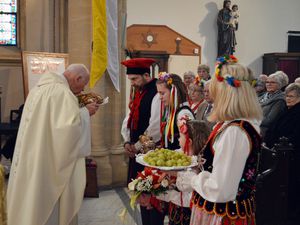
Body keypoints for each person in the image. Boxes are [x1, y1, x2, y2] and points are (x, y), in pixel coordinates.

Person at [7, 64, 100, 225]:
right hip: (48, 163)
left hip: (32, 155)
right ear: (77, 78)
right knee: (48, 207)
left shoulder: (38, 89)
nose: (82, 89)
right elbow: (68, 131)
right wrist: (86, 113)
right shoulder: (62, 93)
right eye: (83, 84)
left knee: (29, 198)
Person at [176, 56, 263, 225]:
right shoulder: (231, 124)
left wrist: (190, 179)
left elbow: (221, 189)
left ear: (226, 95)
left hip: (222, 216)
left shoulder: (235, 131)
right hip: (215, 210)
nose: (212, 99)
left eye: (215, 94)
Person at [120, 58, 162, 225]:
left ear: (146, 75)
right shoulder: (139, 90)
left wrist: (136, 146)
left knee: (153, 199)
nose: (132, 83)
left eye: (135, 79)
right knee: (141, 196)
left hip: (150, 153)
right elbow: (129, 118)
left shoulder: (156, 93)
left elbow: (155, 126)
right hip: (137, 153)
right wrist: (126, 142)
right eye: (130, 80)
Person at [156, 118, 210, 225]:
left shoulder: (198, 166)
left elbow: (189, 199)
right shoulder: (182, 156)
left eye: (180, 137)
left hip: (188, 215)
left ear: (189, 142)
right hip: (176, 211)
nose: (178, 140)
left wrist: (166, 195)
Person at [264, 82, 300, 219]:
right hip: (277, 152)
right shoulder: (287, 110)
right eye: (287, 96)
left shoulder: (297, 113)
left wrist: (276, 143)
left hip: (290, 156)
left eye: (292, 96)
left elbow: (295, 136)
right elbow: (273, 128)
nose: (288, 99)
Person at [259, 72, 287, 137]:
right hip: (254, 127)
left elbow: (269, 120)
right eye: (267, 82)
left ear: (280, 85)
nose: (269, 84)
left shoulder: (280, 100)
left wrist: (252, 118)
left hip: (265, 132)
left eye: (272, 82)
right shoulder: (261, 96)